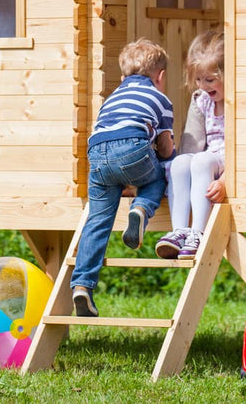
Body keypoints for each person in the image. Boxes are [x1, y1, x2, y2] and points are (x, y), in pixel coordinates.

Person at [71, 38, 175, 317]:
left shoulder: (112, 98)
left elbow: (111, 141)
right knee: (159, 177)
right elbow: (164, 149)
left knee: (97, 220)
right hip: (133, 149)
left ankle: (82, 286)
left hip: (97, 154)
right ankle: (141, 208)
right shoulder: (160, 98)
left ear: (122, 76)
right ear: (160, 76)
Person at [156, 28, 225, 261]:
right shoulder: (203, 101)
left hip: (230, 163)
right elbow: (191, 144)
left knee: (203, 159)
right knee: (181, 162)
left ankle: (198, 232)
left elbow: (245, 152)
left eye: (210, 79)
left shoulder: (238, 102)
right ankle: (180, 231)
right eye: (198, 79)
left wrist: (227, 181)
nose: (203, 85)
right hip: (209, 160)